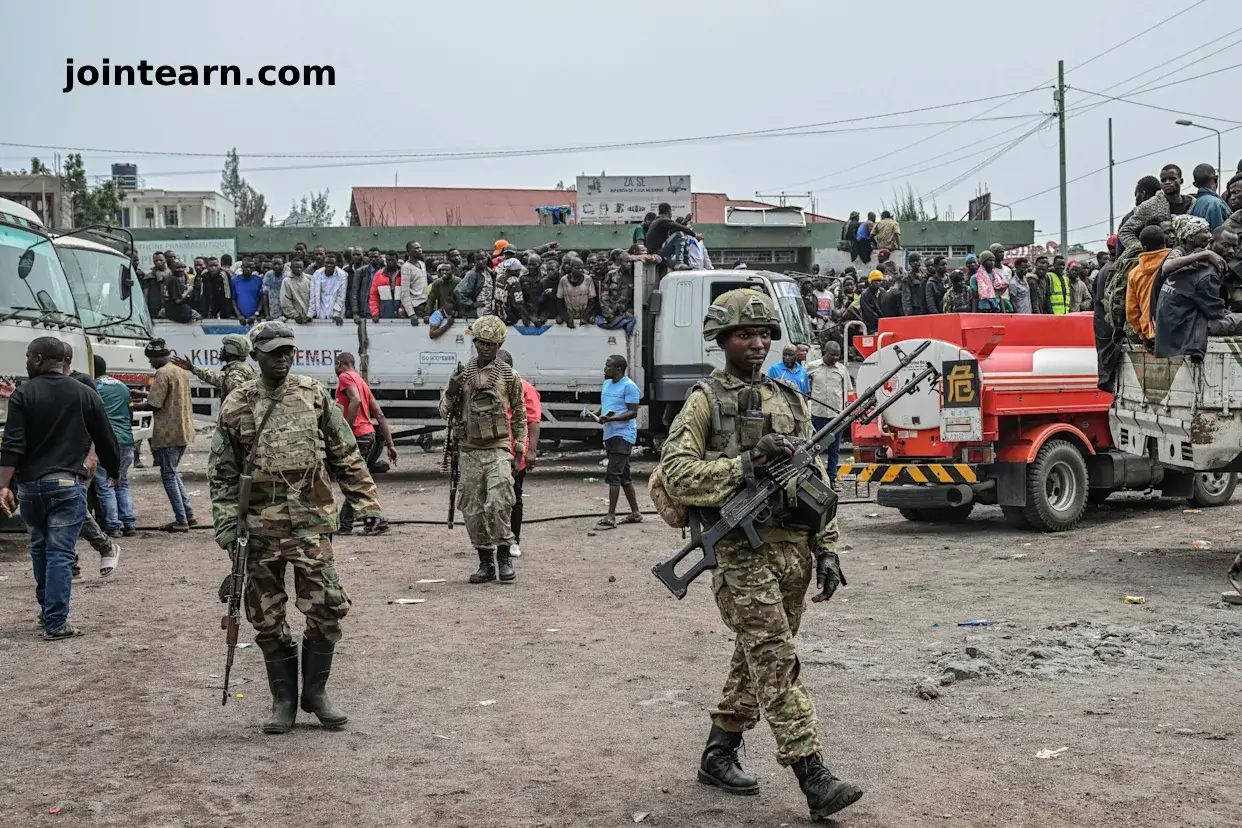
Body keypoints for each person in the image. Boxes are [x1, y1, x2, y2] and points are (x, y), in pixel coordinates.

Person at [658, 288, 859, 820]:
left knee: (758, 654)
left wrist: (830, 549)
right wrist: (745, 465)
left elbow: (817, 482)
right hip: (738, 551)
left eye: (764, 333)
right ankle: (812, 774)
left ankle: (718, 752)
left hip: (794, 551)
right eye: (745, 334)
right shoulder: (704, 400)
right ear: (721, 339)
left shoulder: (789, 398)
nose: (757, 343)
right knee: (774, 657)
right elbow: (676, 474)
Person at [209, 323, 381, 734]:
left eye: (288, 350)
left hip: (309, 523)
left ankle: (316, 693)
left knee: (326, 607)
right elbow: (222, 472)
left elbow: (344, 450)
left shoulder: (313, 394)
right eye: (273, 352)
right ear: (256, 356)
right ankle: (284, 699)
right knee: (265, 617)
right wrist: (228, 526)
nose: (282, 358)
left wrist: (365, 500)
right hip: (259, 528)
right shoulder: (237, 404)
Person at [0, 337, 120, 640]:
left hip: (30, 487)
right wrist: (114, 471)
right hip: (68, 485)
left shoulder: (23, 394)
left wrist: (3, 485)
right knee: (60, 553)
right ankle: (56, 622)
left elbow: (12, 444)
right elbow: (106, 437)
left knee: (39, 548)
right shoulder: (84, 393)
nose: (26, 361)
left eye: (28, 356)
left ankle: (47, 613)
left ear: (40, 359)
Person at [442, 316, 526, 584]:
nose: (486, 347)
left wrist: (520, 448)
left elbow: (520, 414)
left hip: (498, 447)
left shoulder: (509, 376)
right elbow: (443, 411)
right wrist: (452, 390)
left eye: (491, 343)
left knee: (500, 499)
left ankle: (504, 556)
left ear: (499, 343)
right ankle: (485, 561)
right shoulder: (461, 374)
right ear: (475, 342)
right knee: (472, 508)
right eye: (481, 342)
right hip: (468, 449)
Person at [132, 338, 196, 532]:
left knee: (168, 476)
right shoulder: (179, 370)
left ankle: (181, 520)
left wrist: (132, 405)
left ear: (157, 357)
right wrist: (143, 394)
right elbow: (168, 395)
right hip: (183, 430)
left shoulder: (162, 372)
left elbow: (155, 404)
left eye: (151, 359)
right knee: (174, 473)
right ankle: (189, 514)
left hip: (169, 432)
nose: (150, 364)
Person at [1153, 227, 1242, 360]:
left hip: (1170, 325)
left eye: (1235, 247)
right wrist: (1230, 314)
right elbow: (1214, 311)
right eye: (1226, 245)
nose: (1231, 251)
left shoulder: (1192, 257)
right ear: (1211, 243)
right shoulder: (1208, 273)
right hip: (1184, 330)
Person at [332, 353, 395, 533]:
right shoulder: (361, 382)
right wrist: (390, 444)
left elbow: (356, 401)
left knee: (352, 479)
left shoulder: (345, 377)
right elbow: (379, 415)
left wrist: (346, 430)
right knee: (356, 479)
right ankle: (346, 524)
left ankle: (374, 519)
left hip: (358, 435)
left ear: (340, 364)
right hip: (369, 435)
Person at [588, 354, 642, 529]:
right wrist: (594, 413)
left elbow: (633, 412)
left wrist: (612, 419)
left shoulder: (629, 386)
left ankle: (610, 516)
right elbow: (606, 406)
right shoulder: (607, 384)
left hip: (623, 435)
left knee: (614, 474)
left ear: (618, 369)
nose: (605, 369)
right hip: (610, 434)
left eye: (608, 366)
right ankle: (635, 513)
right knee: (624, 476)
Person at [498, 350, 540, 558]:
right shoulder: (488, 386)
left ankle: (514, 540)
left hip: (516, 453)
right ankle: (497, 539)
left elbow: (533, 421)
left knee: (514, 497)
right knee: (493, 498)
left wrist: (531, 451)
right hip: (493, 451)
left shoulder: (525, 388)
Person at [92, 355, 137, 538]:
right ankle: (129, 522)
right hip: (126, 439)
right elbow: (130, 411)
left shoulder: (93, 387)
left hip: (106, 441)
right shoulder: (122, 386)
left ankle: (112, 525)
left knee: (105, 484)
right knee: (122, 482)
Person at [805, 341, 852, 488]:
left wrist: (846, 413)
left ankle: (832, 480)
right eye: (833, 354)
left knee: (834, 450)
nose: (835, 358)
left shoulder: (842, 370)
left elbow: (847, 393)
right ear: (825, 352)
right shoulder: (811, 367)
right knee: (813, 449)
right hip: (817, 414)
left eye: (838, 355)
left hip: (835, 416)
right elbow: (804, 387)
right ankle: (814, 480)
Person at [171, 333, 257, 402]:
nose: (221, 349)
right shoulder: (241, 368)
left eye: (224, 347)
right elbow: (217, 379)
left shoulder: (235, 374)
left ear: (230, 351)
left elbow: (238, 404)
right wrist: (192, 368)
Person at [1124, 224, 1172, 344]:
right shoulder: (1175, 263)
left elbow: (1131, 312)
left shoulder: (1134, 273)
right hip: (1175, 329)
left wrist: (1142, 334)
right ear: (1164, 242)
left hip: (1150, 332)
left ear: (1143, 247)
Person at [557, 257, 598, 328]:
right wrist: (566, 317)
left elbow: (592, 301)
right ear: (571, 268)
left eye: (582, 268)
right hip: (570, 314)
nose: (580, 270)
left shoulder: (588, 279)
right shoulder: (563, 280)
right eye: (577, 268)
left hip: (584, 314)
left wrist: (585, 316)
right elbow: (559, 300)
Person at [1188, 163, 1231, 231]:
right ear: (1216, 179)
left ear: (1195, 185)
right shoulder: (1215, 204)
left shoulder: (1195, 205)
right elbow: (1220, 237)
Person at [311, 253, 348, 324]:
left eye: (332, 263)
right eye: (327, 262)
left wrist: (336, 314)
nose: (329, 265)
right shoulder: (317, 274)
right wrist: (310, 314)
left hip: (337, 314)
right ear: (324, 263)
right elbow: (313, 296)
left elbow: (341, 297)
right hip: (321, 312)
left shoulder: (342, 275)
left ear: (336, 264)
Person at [368, 251, 404, 319]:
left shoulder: (404, 274)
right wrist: (375, 313)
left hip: (402, 313)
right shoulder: (378, 275)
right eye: (388, 260)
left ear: (397, 260)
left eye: (392, 260)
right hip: (384, 313)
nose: (390, 262)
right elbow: (373, 296)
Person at [401, 241, 428, 322]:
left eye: (420, 247)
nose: (420, 250)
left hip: (424, 305)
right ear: (409, 251)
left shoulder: (422, 264)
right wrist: (411, 313)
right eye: (416, 248)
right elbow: (404, 293)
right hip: (415, 306)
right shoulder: (406, 267)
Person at [280, 258, 313, 323]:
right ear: (291, 267)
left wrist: (311, 314)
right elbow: (285, 301)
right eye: (296, 267)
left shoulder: (309, 279)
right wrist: (295, 315)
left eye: (300, 267)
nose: (299, 269)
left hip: (310, 318)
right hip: (295, 320)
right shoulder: (286, 281)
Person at [143, 251, 169, 320]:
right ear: (153, 262)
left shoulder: (171, 275)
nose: (159, 262)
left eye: (161, 260)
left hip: (168, 308)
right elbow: (145, 294)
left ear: (165, 260)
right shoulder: (149, 276)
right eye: (156, 260)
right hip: (153, 310)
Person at [263, 256, 286, 320]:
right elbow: (265, 295)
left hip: (285, 315)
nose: (276, 266)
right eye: (274, 264)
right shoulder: (268, 275)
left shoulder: (287, 276)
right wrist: (267, 315)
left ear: (283, 265)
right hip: (271, 314)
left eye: (279, 264)